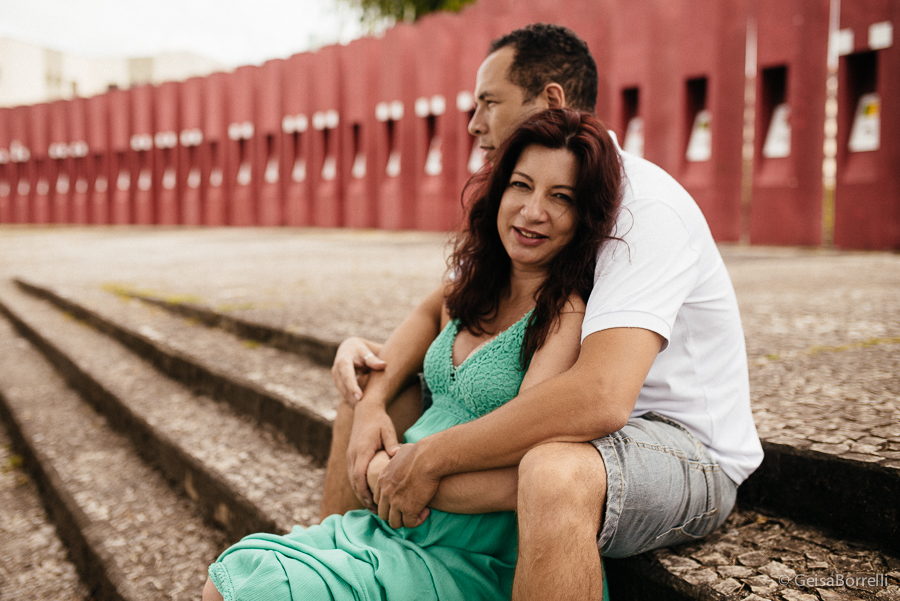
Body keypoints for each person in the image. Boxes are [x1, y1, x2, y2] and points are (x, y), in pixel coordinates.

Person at [327, 23, 764, 600]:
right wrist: (373, 403)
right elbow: (444, 305)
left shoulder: (645, 206)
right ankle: (330, 561)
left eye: (489, 103)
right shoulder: (520, 191)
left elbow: (601, 398)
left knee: (553, 473)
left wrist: (427, 459)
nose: (474, 123)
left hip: (677, 446)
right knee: (365, 388)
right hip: (562, 412)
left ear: (551, 100)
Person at [202, 108, 622, 601]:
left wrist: (395, 476)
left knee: (263, 593)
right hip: (396, 523)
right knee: (225, 582)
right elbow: (413, 331)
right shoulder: (470, 289)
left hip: (468, 549)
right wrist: (372, 407)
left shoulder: (563, 314)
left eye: (561, 198)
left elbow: (520, 473)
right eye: (521, 186)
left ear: (585, 217)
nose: (533, 211)